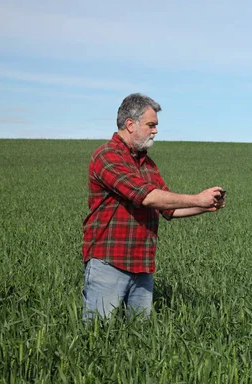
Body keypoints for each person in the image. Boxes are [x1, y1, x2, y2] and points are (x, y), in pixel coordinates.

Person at [81, 93, 225, 321]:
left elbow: (168, 208)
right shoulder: (107, 157)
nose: (155, 131)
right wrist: (197, 198)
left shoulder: (147, 164)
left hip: (142, 265)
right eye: (151, 125)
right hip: (109, 263)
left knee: (139, 339)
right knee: (98, 336)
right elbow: (147, 197)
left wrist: (206, 206)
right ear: (130, 124)